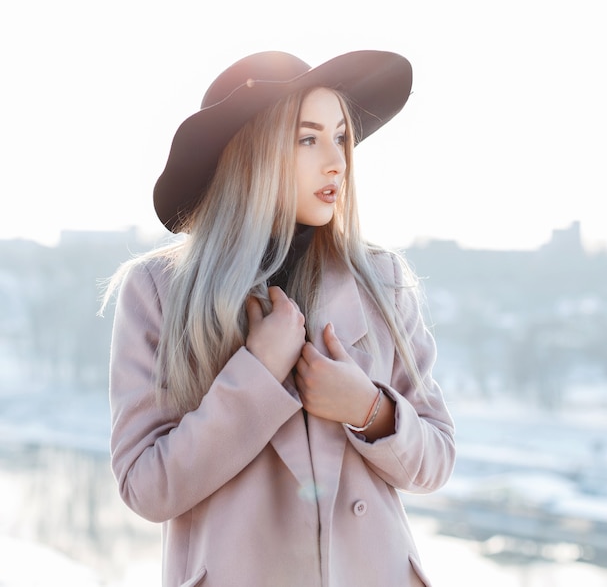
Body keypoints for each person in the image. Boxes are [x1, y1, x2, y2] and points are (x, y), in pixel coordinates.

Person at [105, 50, 455, 587]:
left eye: (341, 136)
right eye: (308, 138)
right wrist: (256, 376)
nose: (336, 160)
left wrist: (368, 408)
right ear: (251, 154)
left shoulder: (382, 281)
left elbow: (436, 460)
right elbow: (145, 488)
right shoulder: (159, 291)